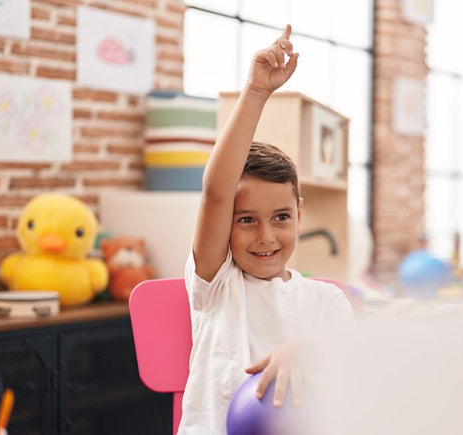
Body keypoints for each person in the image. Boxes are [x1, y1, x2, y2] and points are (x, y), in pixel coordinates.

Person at [179, 25, 355, 434]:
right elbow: (216, 193)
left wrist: (308, 350)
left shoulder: (326, 300)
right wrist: (257, 92)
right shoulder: (215, 284)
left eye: (281, 217)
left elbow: (353, 360)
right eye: (246, 220)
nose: (265, 237)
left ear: (299, 213)